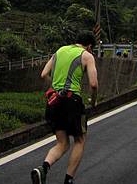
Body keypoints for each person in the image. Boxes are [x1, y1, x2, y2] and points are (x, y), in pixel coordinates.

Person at [31, 33, 99, 184]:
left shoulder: (60, 50)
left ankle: (43, 168)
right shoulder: (87, 56)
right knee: (80, 140)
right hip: (72, 102)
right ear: (89, 46)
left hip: (54, 101)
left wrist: (56, 86)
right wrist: (93, 101)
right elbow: (93, 85)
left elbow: (44, 74)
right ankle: (68, 179)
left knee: (62, 143)